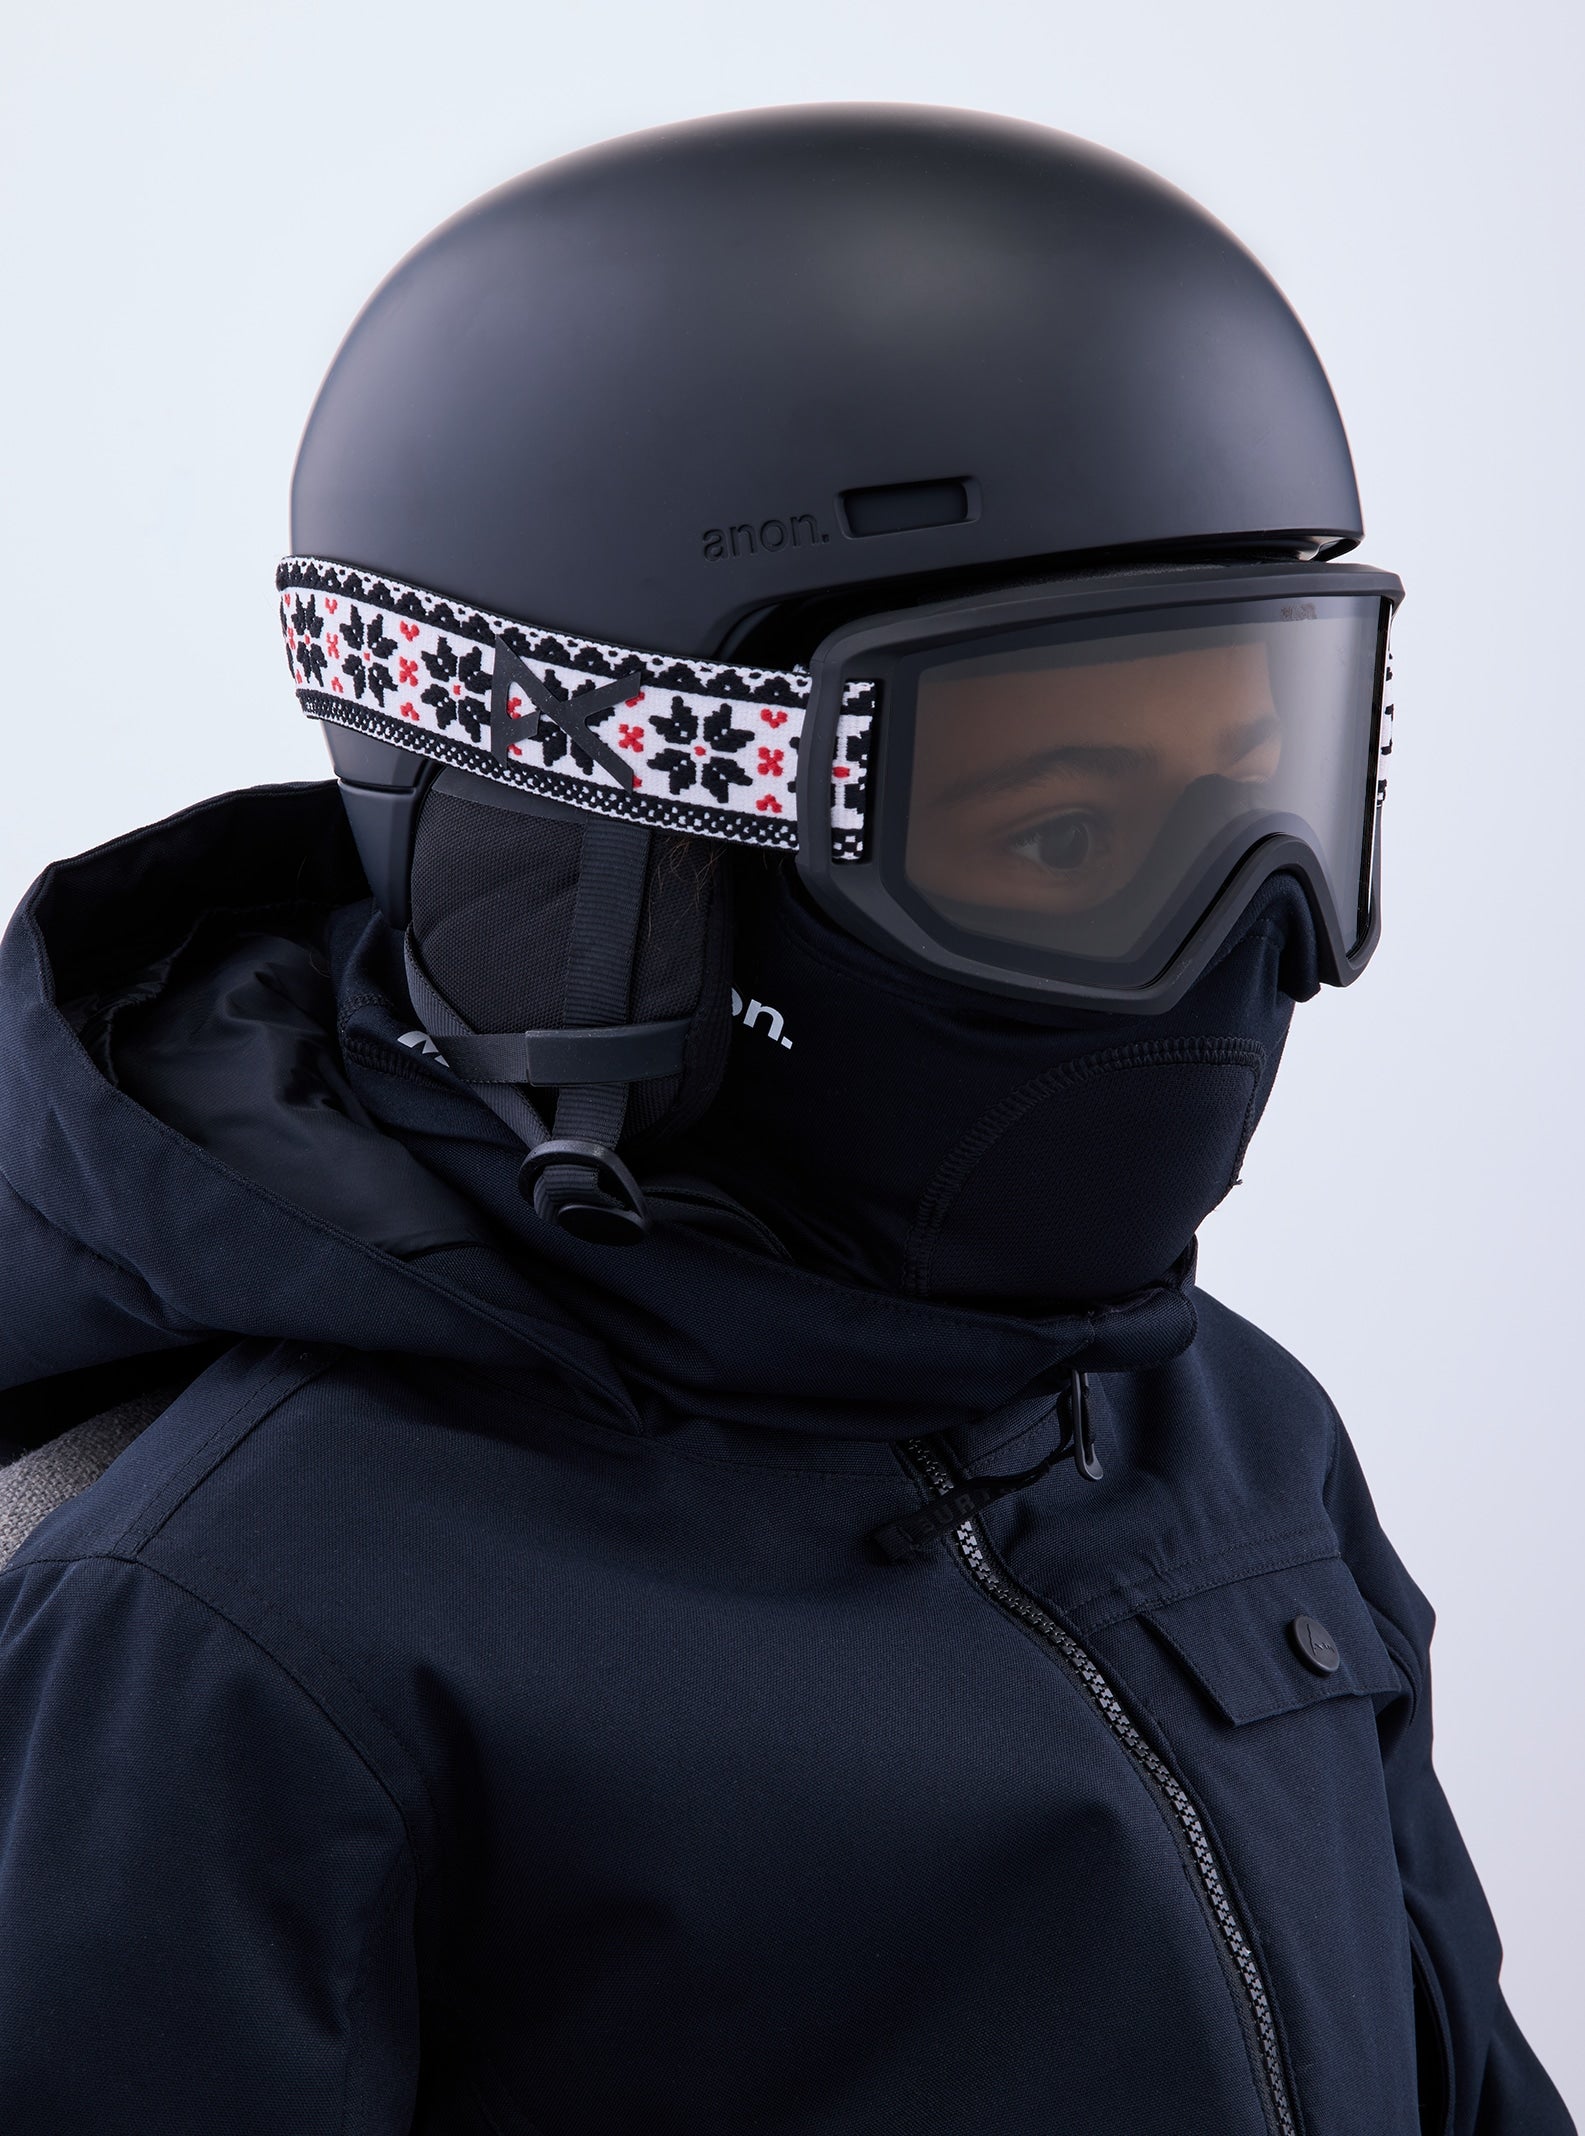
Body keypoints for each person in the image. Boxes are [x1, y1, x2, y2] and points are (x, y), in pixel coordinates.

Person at [0, 104, 1571, 2136]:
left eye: (1261, 804)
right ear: (596, 883)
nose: (1234, 941)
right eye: (1063, 834)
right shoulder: (244, 1622)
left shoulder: (1218, 1434)